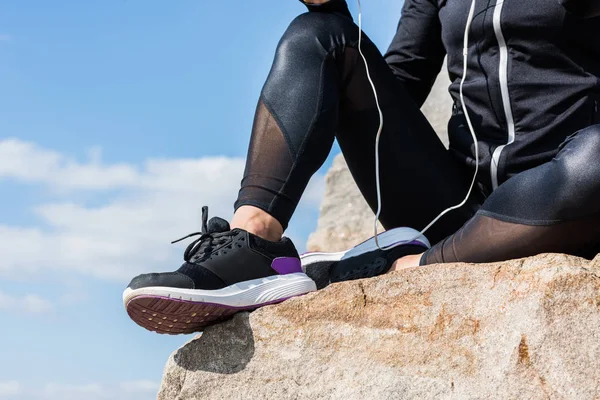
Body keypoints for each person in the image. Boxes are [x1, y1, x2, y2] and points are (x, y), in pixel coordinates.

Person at [123, 0, 600, 334]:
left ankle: (415, 265)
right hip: (456, 209)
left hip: (569, 199)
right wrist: (334, 10)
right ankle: (254, 244)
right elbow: (400, 82)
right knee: (321, 35)